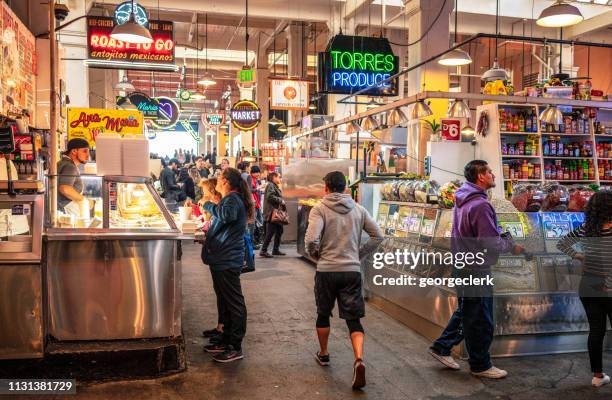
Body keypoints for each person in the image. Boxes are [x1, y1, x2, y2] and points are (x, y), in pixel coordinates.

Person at [429, 160, 524, 379]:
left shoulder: (462, 199)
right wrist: (511, 246)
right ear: (480, 176)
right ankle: (480, 365)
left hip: (463, 264)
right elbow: (489, 242)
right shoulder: (481, 204)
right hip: (475, 268)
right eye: (490, 172)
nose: (493, 175)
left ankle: (442, 347)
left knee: (468, 311)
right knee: (480, 317)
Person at [304, 171, 384, 390]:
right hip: (351, 271)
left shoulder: (319, 208)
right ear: (345, 188)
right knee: (353, 318)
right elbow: (378, 236)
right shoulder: (358, 209)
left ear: (326, 188)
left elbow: (311, 239)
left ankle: (324, 353)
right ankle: (358, 358)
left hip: (327, 270)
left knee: (323, 313)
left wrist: (316, 255)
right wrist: (358, 254)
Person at [557, 190, 612, 388]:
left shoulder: (586, 228)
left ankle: (597, 376)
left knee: (596, 331)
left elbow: (562, 243)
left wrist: (579, 256)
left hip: (588, 285)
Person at [201, 168, 254, 362]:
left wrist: (208, 204)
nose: (217, 183)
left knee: (234, 302)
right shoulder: (231, 199)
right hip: (221, 257)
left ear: (225, 182)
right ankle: (225, 338)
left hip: (227, 259)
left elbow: (227, 216)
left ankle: (235, 346)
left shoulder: (232, 199)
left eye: (220, 180)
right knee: (225, 300)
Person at [196, 178, 227, 340]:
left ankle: (226, 334)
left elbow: (215, 226)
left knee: (225, 295)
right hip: (217, 256)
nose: (203, 194)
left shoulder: (222, 207)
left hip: (223, 257)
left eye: (205, 191)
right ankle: (221, 327)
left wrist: (206, 208)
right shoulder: (219, 207)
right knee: (220, 293)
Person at [57, 138, 93, 213]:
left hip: (60, 209)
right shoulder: (70, 166)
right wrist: (84, 200)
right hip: (65, 211)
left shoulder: (63, 163)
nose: (88, 155)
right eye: (85, 151)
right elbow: (65, 189)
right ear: (74, 151)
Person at [260, 172, 285, 258]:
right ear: (274, 177)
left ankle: (275, 249)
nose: (280, 179)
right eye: (279, 177)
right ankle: (263, 250)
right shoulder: (270, 185)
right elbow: (270, 197)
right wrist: (280, 200)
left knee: (279, 230)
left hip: (275, 213)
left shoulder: (273, 186)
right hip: (272, 213)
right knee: (270, 233)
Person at [246, 166, 263, 248]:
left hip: (257, 204)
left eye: (259, 172)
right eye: (256, 172)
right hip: (254, 204)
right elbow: (250, 190)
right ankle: (252, 242)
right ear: (252, 173)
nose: (258, 174)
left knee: (258, 223)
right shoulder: (250, 179)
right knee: (253, 224)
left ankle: (256, 240)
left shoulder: (256, 180)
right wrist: (258, 188)